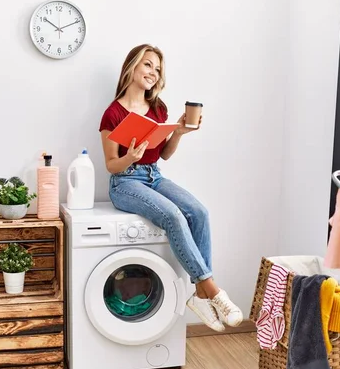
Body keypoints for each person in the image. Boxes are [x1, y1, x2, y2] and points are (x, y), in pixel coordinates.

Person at [98, 44, 243, 332]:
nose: (153, 73)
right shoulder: (112, 113)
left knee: (198, 212)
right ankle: (210, 290)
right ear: (132, 67)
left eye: (158, 69)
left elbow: (163, 154)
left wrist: (177, 132)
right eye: (148, 65)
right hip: (124, 182)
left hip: (154, 176)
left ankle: (200, 294)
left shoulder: (158, 108)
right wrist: (130, 157)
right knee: (174, 216)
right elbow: (111, 165)